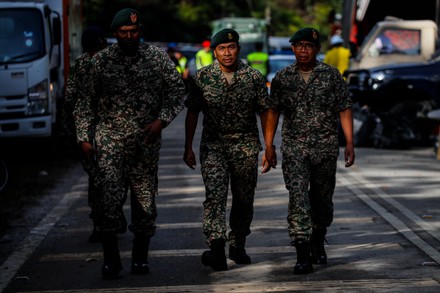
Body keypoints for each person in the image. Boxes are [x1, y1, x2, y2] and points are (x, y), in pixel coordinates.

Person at [73, 8, 185, 279]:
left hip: (145, 143)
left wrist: (162, 120)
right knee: (109, 202)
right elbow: (85, 102)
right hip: (109, 142)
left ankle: (140, 259)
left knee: (145, 204)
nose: (130, 36)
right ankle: (111, 260)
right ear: (115, 34)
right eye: (124, 33)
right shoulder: (101, 62)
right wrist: (83, 137)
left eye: (134, 32)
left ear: (140, 31)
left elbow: (177, 91)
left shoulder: (156, 57)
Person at [263, 27, 355, 275]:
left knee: (322, 201)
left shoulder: (331, 75)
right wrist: (269, 145)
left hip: (324, 148)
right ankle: (302, 251)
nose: (303, 50)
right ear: (292, 48)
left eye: (309, 46)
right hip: (294, 148)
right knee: (298, 198)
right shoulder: (282, 78)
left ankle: (318, 238)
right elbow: (273, 111)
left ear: (317, 49)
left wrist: (349, 142)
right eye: (299, 45)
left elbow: (344, 108)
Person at [183, 28, 275, 271]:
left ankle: (238, 244)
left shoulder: (253, 77)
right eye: (222, 48)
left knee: (244, 198)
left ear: (238, 49)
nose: (227, 53)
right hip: (214, 146)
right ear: (214, 52)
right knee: (215, 196)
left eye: (231, 47)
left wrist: (269, 146)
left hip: (245, 146)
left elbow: (265, 111)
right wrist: (188, 147)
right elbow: (192, 112)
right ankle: (216, 247)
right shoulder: (202, 77)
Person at [61, 26, 129, 243]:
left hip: (112, 131)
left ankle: (112, 216)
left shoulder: (111, 61)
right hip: (91, 133)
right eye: (93, 50)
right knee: (100, 179)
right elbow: (71, 99)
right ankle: (102, 222)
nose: (96, 55)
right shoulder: (83, 64)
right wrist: (78, 134)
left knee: (115, 178)